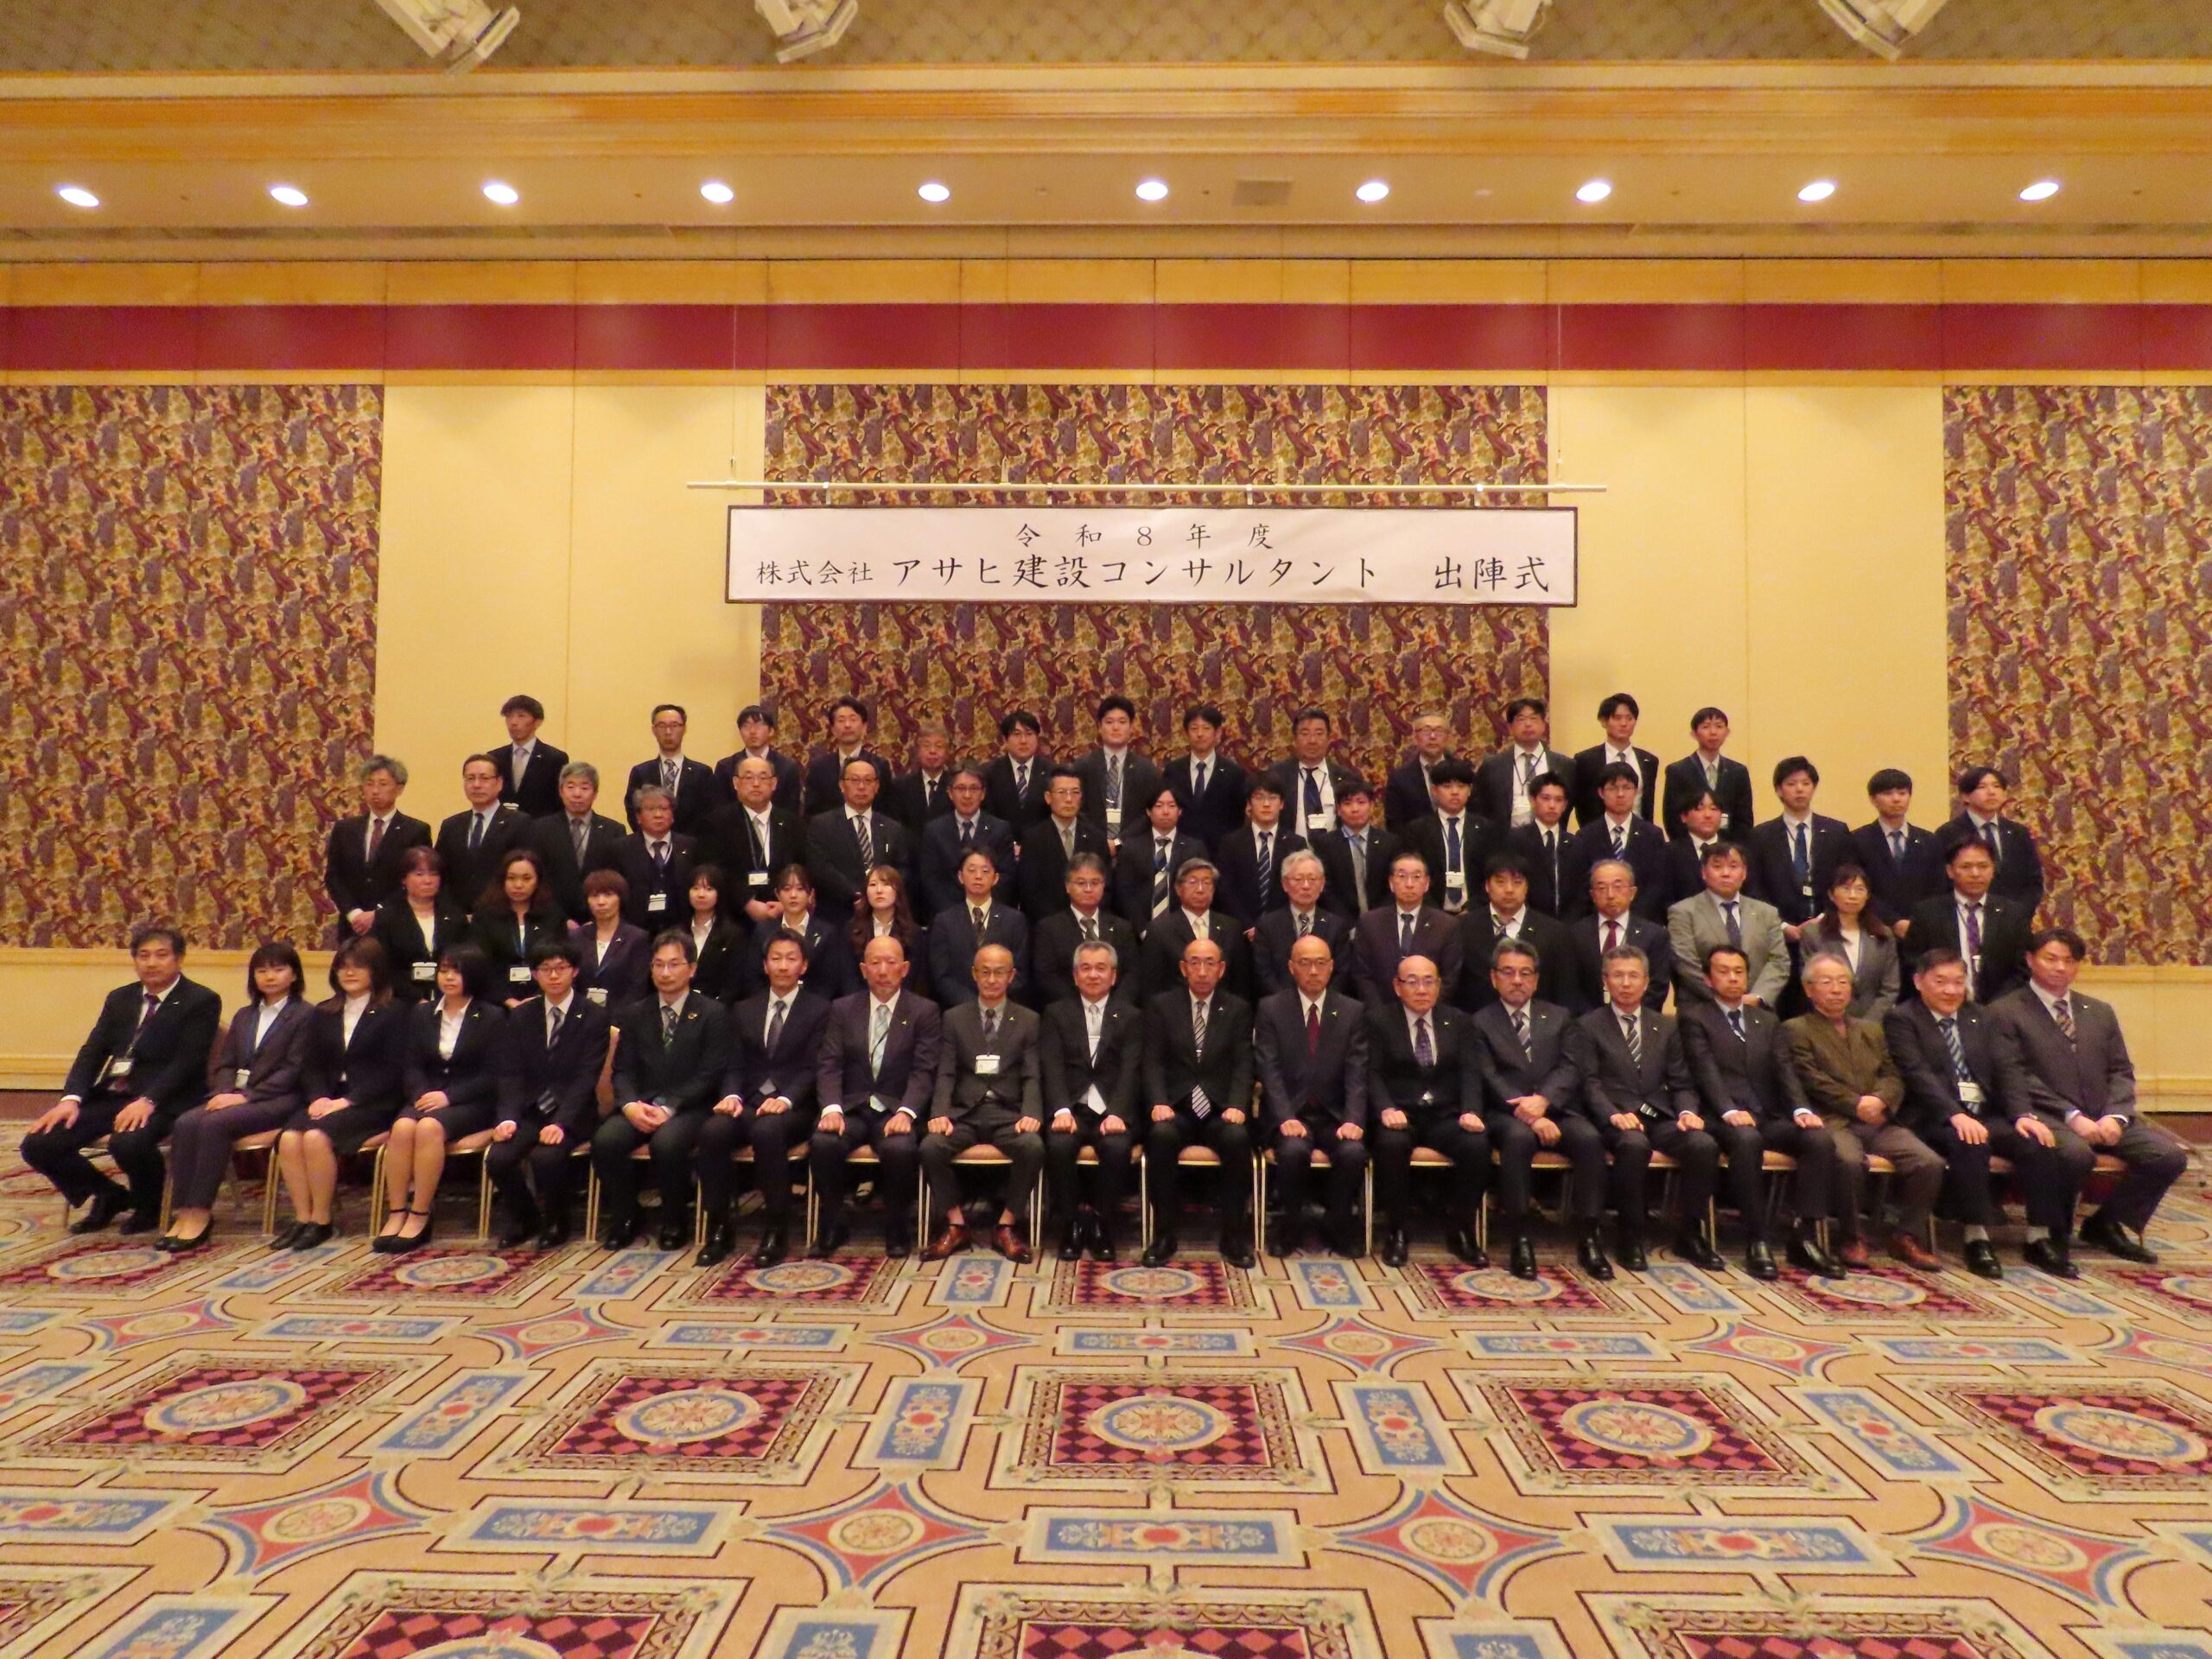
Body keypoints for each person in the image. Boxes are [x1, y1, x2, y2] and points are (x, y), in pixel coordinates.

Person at [1887, 946, 2088, 1280]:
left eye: (1958, 982)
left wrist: (2023, 1114)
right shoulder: (1903, 1019)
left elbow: (2008, 1069)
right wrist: (1955, 1115)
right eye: (1941, 982)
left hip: (1985, 1113)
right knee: (1970, 1142)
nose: (1951, 990)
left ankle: (2040, 1237)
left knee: (2037, 1141)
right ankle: (1976, 1236)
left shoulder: (1981, 1017)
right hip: (1934, 1116)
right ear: (1919, 982)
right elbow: (1917, 1075)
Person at [1991, 928, 2189, 1264]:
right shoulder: (2005, 1011)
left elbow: (2121, 1070)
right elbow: (2015, 1076)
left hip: (2104, 1114)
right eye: (2051, 959)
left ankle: (2107, 1223)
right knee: (2075, 1154)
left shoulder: (2098, 1011)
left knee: (2168, 1156)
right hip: (2047, 1115)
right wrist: (2072, 1116)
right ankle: (2051, 1234)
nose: (2060, 968)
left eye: (2069, 961)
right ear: (2030, 960)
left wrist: (2116, 1116)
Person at [24, 925, 222, 1236]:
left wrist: (149, 1100)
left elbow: (188, 1061)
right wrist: (71, 1099)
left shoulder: (201, 1000)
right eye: (143, 956)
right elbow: (93, 1051)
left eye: (161, 955)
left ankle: (150, 1204)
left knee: (128, 1141)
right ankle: (108, 1195)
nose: (151, 963)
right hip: (115, 1095)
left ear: (179, 959)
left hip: (168, 1099)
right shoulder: (121, 998)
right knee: (39, 1143)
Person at [1679, 944, 1842, 1278]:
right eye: (1723, 971)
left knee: (1818, 1140)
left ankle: (1804, 1236)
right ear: (1708, 979)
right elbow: (1704, 1070)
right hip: (1719, 1117)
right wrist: (1728, 1110)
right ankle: (1757, 1238)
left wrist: (1800, 1109)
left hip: (1766, 1115)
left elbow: (1785, 1070)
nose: (1733, 978)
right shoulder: (1695, 1017)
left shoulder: (1766, 1020)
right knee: (1747, 1140)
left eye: (1739, 971)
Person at [1784, 953, 1944, 1269]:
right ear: (1808, 989)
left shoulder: (1871, 1030)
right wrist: (1856, 1105)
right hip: (1833, 1120)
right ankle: (1851, 1236)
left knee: (1929, 1162)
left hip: (1878, 1120)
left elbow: (1893, 1074)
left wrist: (1881, 1100)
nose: (1836, 989)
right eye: (1827, 982)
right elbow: (1811, 1078)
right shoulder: (1796, 1029)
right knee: (1848, 1161)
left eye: (1843, 982)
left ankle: (1906, 1236)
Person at [1569, 946, 1722, 1273]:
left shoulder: (1665, 1026)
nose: (1626, 983)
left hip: (1658, 1114)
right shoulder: (1588, 1025)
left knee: (1703, 1144)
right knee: (1634, 1145)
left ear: (1646, 981)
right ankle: (1630, 1234)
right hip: (1614, 1117)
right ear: (1605, 980)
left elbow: (1681, 1081)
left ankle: (1690, 1232)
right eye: (1618, 976)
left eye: (1633, 976)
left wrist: (1687, 1113)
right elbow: (1589, 1083)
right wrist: (1612, 1114)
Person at [157, 942, 314, 1252]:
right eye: (262, 970)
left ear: (294, 974)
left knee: (214, 1124)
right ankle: (183, 1210)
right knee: (186, 1122)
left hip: (282, 1099)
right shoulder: (244, 1015)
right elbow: (226, 1063)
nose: (270, 976)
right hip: (237, 1096)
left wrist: (247, 1097)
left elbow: (294, 1070)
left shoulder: (306, 1015)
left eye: (279, 969)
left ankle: (201, 1211)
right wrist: (224, 1092)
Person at [1471, 939, 1608, 1279]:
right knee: (1517, 1141)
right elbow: (1488, 1076)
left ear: (1536, 979)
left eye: (1525, 973)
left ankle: (1589, 1236)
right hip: (1507, 1113)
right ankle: (1520, 1238)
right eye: (1508, 973)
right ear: (1494, 978)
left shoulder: (1560, 1017)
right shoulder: (1480, 1021)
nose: (1517, 980)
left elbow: (1571, 1066)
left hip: (1556, 1108)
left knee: (1589, 1139)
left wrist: (1544, 1102)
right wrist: (1530, 1115)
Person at [698, 932, 832, 1268]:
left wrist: (786, 1099)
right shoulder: (744, 1009)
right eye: (776, 958)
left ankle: (776, 1228)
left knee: (767, 1131)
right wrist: (731, 1095)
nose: (783, 966)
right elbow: (734, 1063)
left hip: (795, 1106)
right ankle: (719, 1227)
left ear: (804, 966)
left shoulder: (821, 1009)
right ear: (764, 965)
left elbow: (815, 1067)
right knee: (713, 1131)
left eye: (791, 958)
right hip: (749, 1102)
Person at [593, 932, 732, 1250]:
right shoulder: (635, 1013)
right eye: (658, 965)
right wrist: (629, 1104)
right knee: (606, 1140)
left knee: (667, 1144)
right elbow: (623, 1070)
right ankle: (626, 1216)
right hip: (641, 1103)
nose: (665, 973)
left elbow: (710, 1073)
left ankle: (674, 1220)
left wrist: (670, 1106)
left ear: (692, 969)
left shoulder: (712, 1013)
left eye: (674, 965)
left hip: (690, 1106)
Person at [810, 936, 942, 1258]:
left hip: (896, 1109)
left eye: (891, 963)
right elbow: (830, 1064)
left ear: (905, 969)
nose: (883, 971)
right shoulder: (842, 1008)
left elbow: (924, 1071)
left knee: (900, 1148)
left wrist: (907, 1112)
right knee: (824, 1142)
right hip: (852, 1107)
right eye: (875, 963)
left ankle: (897, 1225)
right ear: (863, 969)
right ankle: (834, 1221)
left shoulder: (924, 1011)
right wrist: (832, 1108)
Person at [375, 944, 508, 1255]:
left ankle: (421, 1213)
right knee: (402, 1128)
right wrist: (421, 1094)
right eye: (444, 971)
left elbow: (494, 1074)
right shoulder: (422, 1013)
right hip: (426, 1097)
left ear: (473, 976)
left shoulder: (492, 1016)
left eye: (457, 972)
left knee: (428, 1128)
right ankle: (397, 1211)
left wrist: (449, 1096)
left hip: (471, 1101)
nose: (449, 978)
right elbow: (411, 1065)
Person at [276, 938, 407, 1250]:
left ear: (375, 970)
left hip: (372, 1102)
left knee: (315, 1137)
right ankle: (303, 1218)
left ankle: (321, 1220)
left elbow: (394, 1071)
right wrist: (319, 1097)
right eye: (343, 967)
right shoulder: (324, 1012)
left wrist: (348, 1101)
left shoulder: (395, 1012)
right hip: (329, 1098)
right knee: (289, 1138)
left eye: (358, 967)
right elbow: (311, 1065)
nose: (349, 973)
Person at [921, 945, 1046, 1262]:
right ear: (974, 974)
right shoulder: (954, 1018)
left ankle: (1006, 1225)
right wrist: (940, 1113)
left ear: (1011, 976)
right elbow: (946, 1072)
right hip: (966, 1113)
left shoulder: (1029, 1019)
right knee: (931, 1146)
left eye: (999, 972)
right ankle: (956, 1224)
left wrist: (1031, 1113)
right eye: (985, 972)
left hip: (1007, 1113)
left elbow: (1032, 1074)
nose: (992, 979)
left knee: (1033, 1146)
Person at [487, 938, 612, 1249]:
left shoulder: (593, 1016)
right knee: (499, 1158)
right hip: (532, 1109)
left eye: (561, 968)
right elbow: (510, 1073)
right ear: (535, 974)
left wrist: (561, 1122)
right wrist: (508, 1118)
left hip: (575, 1111)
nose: (554, 975)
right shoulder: (521, 1016)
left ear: (575, 971)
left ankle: (558, 1222)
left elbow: (586, 1078)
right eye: (545, 969)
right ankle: (526, 1218)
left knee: (548, 1156)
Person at [1140, 938, 1256, 1268]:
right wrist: (1158, 1102)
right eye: (1195, 963)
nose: (1202, 971)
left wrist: (1238, 1105)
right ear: (1183, 968)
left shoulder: (1237, 1008)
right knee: (1161, 1136)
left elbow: (1243, 1064)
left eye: (1210, 963)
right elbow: (1152, 1061)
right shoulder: (1162, 1006)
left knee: (1238, 1138)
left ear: (1221, 969)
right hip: (1176, 1107)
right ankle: (1164, 1235)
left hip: (1221, 1109)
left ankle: (1233, 1236)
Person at [1367, 953, 1486, 1268]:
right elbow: (1371, 1073)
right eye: (1413, 982)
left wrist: (1471, 1110)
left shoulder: (1459, 1021)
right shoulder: (1379, 1021)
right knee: (1390, 1145)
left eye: (1429, 981)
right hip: (1400, 1113)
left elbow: (1470, 1071)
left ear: (1439, 985)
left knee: (1476, 1145)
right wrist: (1385, 1108)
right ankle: (1397, 1232)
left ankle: (1461, 1230)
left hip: (1445, 1114)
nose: (1422, 989)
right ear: (1397, 987)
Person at [1256, 934, 1370, 1257]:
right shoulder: (1271, 1008)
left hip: (1334, 1115)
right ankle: (1291, 1225)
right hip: (1290, 1113)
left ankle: (1337, 1223)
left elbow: (1357, 1071)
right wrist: (1285, 1117)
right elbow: (1269, 1069)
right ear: (1291, 967)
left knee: (1353, 1153)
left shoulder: (1352, 1011)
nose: (1314, 971)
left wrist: (1353, 1119)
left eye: (1321, 963)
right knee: (1293, 1151)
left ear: (1332, 967)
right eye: (1305, 963)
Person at [1041, 940, 1143, 1261]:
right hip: (1071, 1108)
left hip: (1112, 1109)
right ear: (1075, 976)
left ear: (1114, 976)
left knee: (1117, 1147)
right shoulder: (1056, 1013)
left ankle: (1102, 1224)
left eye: (1101, 968)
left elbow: (1131, 1069)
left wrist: (1118, 1112)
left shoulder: (1132, 1016)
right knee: (1058, 1146)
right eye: (1086, 968)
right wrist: (1060, 1109)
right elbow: (1052, 1066)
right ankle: (1071, 1224)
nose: (1093, 975)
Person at [1903, 839, 2033, 1003]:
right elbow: (1914, 966)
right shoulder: (1927, 913)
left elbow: (2022, 970)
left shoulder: (2014, 914)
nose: (1975, 874)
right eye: (1966, 867)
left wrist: (1995, 1007)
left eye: (1983, 866)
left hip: (2000, 1009)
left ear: (1993, 869)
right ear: (1950, 871)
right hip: (1943, 1005)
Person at [1669, 842, 1789, 1007]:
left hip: (1756, 1008)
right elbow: (1686, 964)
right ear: (1704, 872)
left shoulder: (1767, 912)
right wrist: (1726, 999)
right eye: (1717, 866)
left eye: (1733, 866)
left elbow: (1779, 961)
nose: (1726, 873)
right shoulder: (1683, 912)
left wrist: (1757, 997)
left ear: (1744, 873)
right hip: (1703, 1007)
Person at [323, 755, 431, 938]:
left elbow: (416, 880)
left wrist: (379, 914)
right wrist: (354, 913)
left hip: (396, 925)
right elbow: (334, 876)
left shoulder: (416, 831)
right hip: (353, 926)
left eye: (383, 784)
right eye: (369, 784)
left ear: (399, 788)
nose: (375, 790)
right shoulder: (345, 829)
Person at [1746, 757, 1852, 937]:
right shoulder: (1761, 836)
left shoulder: (1837, 832)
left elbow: (1846, 879)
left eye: (1806, 783)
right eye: (1791, 784)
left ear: (1814, 788)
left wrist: (1824, 919)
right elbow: (1754, 887)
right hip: (1777, 934)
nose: (1800, 789)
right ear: (1779, 790)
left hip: (1829, 930)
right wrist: (1782, 926)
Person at [1456, 854, 1572, 1012]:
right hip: (1476, 1021)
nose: (1509, 890)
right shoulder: (1463, 928)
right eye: (1500, 882)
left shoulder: (1554, 932)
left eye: (1517, 882)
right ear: (1487, 886)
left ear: (1527, 887)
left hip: (1539, 1023)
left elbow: (1565, 994)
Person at [706, 753, 806, 935]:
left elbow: (801, 866)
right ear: (736, 783)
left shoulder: (792, 823)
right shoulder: (717, 823)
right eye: (748, 777)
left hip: (784, 915)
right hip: (735, 920)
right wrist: (747, 902)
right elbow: (717, 871)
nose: (756, 784)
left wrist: (784, 902)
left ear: (774, 783)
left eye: (763, 777)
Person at [1351, 852, 1462, 1007]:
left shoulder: (1446, 925)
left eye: (1417, 877)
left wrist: (1423, 1008)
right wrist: (1379, 1013)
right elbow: (1362, 975)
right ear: (1391, 883)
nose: (1409, 884)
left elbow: (1449, 979)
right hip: (1380, 1012)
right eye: (1402, 876)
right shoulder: (1369, 922)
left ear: (1427, 884)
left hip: (1428, 1011)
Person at [806, 757, 913, 918]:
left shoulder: (893, 828)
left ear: (877, 786)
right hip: (837, 914)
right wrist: (856, 895)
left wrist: (880, 893)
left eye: (868, 780)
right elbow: (821, 868)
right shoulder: (821, 825)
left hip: (884, 914)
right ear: (841, 785)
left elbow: (902, 869)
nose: (862, 787)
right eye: (855, 780)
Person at [1562, 762, 1668, 920]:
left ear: (1637, 791)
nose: (1620, 794)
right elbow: (1582, 887)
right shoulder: (1585, 836)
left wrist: (1629, 919)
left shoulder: (1653, 835)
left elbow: (1657, 886)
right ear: (1601, 793)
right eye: (1613, 789)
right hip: (1598, 921)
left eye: (1627, 788)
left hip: (1642, 921)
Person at [1031, 853, 1139, 1007]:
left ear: (1103, 885)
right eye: (1081, 883)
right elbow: (1046, 977)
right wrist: (1082, 1008)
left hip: (1116, 1011)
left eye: (1095, 883)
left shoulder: (1122, 928)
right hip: (1068, 1012)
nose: (1088, 889)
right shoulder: (1049, 929)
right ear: (1068, 886)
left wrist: (1112, 1007)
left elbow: (1132, 974)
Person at [1568, 859, 1674, 1015]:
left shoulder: (1655, 935)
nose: (1610, 895)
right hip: (1587, 1022)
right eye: (1602, 888)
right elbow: (1571, 987)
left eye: (1618, 887)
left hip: (1639, 1020)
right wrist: (1595, 1020)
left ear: (1632, 892)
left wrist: (1627, 1014)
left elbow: (1657, 987)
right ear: (1593, 895)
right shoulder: (1574, 934)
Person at [1137, 858, 1251, 1001]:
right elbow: (1151, 986)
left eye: (1207, 883)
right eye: (1193, 882)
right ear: (1178, 889)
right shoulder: (1159, 930)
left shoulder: (1232, 928)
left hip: (1223, 1009)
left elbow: (1241, 984)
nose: (1200, 889)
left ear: (1213, 889)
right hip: (1175, 1009)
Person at [1936, 766, 2044, 915]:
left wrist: (2018, 913)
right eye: (1982, 787)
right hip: (1966, 917)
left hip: (2014, 918)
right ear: (1965, 796)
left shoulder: (2018, 832)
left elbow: (2033, 880)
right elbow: (1940, 883)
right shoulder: (1948, 833)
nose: (1991, 792)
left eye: (1997, 786)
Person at [742, 865, 858, 1002]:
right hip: (770, 1004)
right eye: (787, 889)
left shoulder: (827, 932)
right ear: (777, 894)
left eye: (800, 889)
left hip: (815, 1006)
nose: (793, 895)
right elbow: (753, 976)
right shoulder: (764, 930)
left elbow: (830, 980)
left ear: (810, 894)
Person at [1797, 865, 1900, 1019]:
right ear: (1831, 894)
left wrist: (1867, 1024)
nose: (1853, 896)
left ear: (1867, 895)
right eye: (1846, 889)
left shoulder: (1883, 935)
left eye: (1860, 889)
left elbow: (1890, 988)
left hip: (1875, 1024)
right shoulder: (1813, 935)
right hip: (1827, 1021)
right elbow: (1810, 983)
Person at [528, 761, 626, 923]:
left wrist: (596, 920)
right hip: (551, 921)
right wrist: (560, 920)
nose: (577, 794)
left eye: (585, 788)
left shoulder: (614, 830)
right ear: (561, 791)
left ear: (595, 793)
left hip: (601, 919)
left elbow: (616, 882)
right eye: (570, 787)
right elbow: (537, 879)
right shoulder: (540, 829)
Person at [928, 852, 1028, 1006]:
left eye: (985, 871)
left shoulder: (1014, 920)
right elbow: (941, 976)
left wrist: (994, 999)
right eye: (972, 870)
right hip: (958, 1010)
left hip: (1003, 1006)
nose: (978, 876)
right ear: (961, 876)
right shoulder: (944, 921)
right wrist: (973, 1006)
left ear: (995, 878)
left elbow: (1020, 971)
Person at [915, 766, 1015, 921]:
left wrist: (981, 908)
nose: (967, 795)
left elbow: (1005, 876)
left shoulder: (1000, 829)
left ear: (983, 793)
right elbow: (931, 879)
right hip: (946, 916)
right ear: (950, 793)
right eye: (961, 789)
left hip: (990, 916)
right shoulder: (934, 830)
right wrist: (957, 914)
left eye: (974, 789)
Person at [435, 753, 529, 915]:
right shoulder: (451, 825)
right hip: (457, 916)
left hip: (502, 914)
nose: (476, 785)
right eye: (470, 778)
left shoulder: (519, 823)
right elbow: (440, 872)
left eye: (484, 778)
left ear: (499, 783)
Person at [371, 846, 467, 1002]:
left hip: (449, 998)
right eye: (419, 874)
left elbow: (466, 961)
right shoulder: (387, 918)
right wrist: (416, 998)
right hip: (402, 1000)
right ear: (404, 879)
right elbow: (382, 967)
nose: (427, 881)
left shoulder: (455, 916)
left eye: (433, 874)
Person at [1400, 759, 1494, 917]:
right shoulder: (1417, 831)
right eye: (1447, 786)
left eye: (1461, 786)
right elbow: (1415, 876)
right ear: (1434, 791)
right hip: (1430, 914)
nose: (1455, 792)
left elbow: (1492, 875)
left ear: (1470, 790)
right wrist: (1436, 914)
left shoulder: (1486, 829)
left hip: (1476, 913)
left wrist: (1472, 909)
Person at [1253, 850, 1353, 998]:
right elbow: (1264, 974)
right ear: (1285, 884)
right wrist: (1289, 1003)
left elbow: (1342, 974)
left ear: (1322, 884)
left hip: (1326, 1005)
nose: (1306, 886)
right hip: (1280, 1005)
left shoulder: (1337, 926)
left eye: (1312, 879)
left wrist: (1319, 1002)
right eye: (1298, 879)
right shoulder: (1267, 926)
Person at [1111, 784, 1208, 937]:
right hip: (1138, 932)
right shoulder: (1132, 847)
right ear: (1149, 811)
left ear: (1180, 811)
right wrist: (1142, 930)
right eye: (1159, 806)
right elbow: (1124, 892)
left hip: (1183, 932)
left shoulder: (1194, 848)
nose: (1165, 811)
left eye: (1171, 806)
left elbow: (1200, 891)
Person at [474, 848, 566, 1006]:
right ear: (502, 880)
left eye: (526, 878)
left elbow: (561, 962)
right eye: (511, 878)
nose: (518, 885)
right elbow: (481, 965)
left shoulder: (552, 916)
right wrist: (507, 1000)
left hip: (544, 999)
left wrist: (538, 998)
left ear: (538, 881)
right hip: (495, 1003)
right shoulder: (485, 916)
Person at [596, 786, 698, 930]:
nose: (658, 815)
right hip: (634, 930)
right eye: (650, 809)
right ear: (638, 817)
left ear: (672, 815)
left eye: (664, 809)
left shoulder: (690, 846)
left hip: (682, 929)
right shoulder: (619, 850)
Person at [1017, 766, 1112, 921]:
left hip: (1090, 921)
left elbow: (1107, 886)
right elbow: (1029, 891)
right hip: (1047, 924)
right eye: (1061, 792)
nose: (1069, 799)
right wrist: (1060, 923)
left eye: (1075, 792)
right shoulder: (1033, 839)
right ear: (1048, 797)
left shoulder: (1096, 838)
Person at [1852, 768, 1938, 930]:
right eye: (1888, 793)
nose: (1896, 799)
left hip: (1921, 927)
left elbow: (1937, 887)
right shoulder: (1857, 840)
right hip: (1874, 927)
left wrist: (1918, 921)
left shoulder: (1929, 840)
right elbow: (1857, 887)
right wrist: (1893, 921)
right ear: (1873, 799)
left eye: (1902, 793)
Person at [1072, 695, 1161, 851]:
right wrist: (1101, 842)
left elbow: (1148, 814)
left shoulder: (1146, 770)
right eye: (1109, 722)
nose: (1115, 727)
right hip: (1089, 849)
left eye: (1122, 722)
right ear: (1099, 727)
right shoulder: (1083, 766)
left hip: (1133, 850)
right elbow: (1077, 809)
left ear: (1131, 726)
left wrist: (1119, 842)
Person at [1214, 778, 1305, 931]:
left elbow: (1298, 889)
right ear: (1249, 804)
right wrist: (1247, 926)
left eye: (1272, 798)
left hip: (1283, 928)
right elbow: (1224, 889)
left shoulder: (1296, 844)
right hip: (1239, 929)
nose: (1266, 804)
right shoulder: (1231, 843)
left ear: (1282, 804)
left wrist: (1274, 926)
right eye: (1259, 797)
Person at [1266, 707, 1366, 840]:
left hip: (1333, 852)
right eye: (1305, 734)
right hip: (1289, 851)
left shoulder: (1346, 778)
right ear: (1294, 739)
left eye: (1319, 734)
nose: (1312, 740)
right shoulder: (1277, 776)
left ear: (1329, 738)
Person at [1474, 696, 1573, 830]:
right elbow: (1479, 808)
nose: (1528, 724)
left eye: (1533, 718)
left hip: (1551, 837)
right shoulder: (1492, 766)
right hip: (1504, 839)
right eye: (1521, 719)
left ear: (1544, 725)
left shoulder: (1565, 766)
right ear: (1510, 728)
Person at [1662, 707, 1754, 842]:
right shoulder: (1678, 771)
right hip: (1689, 847)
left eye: (1719, 726)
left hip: (1728, 847)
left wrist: (1733, 849)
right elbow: (1672, 819)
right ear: (1694, 734)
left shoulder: (1738, 771)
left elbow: (1744, 819)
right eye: (1706, 727)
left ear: (1727, 732)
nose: (1713, 732)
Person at [1165, 702, 1248, 852]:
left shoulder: (1234, 773)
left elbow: (1238, 819)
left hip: (1221, 853)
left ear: (1218, 733)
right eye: (1194, 728)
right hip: (1180, 852)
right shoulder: (1173, 771)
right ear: (1186, 733)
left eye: (1206, 728)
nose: (1200, 734)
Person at [625, 703, 716, 836]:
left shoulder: (702, 773)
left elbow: (708, 814)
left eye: (674, 725)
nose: (668, 732)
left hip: (692, 845)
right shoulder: (641, 772)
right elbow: (633, 811)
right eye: (662, 726)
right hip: (649, 844)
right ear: (654, 730)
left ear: (684, 729)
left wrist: (684, 843)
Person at [1571, 693, 1659, 828]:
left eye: (1629, 718)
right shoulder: (1586, 760)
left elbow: (1647, 805)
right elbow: (1581, 806)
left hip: (1639, 834)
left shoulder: (1649, 761)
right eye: (1617, 718)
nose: (1624, 724)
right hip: (1598, 834)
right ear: (1603, 721)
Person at [1315, 779, 1399, 920]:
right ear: (1338, 809)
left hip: (1383, 920)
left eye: (1361, 802)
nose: (1355, 809)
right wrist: (1345, 923)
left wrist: (1375, 920)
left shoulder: (1390, 843)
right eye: (1347, 803)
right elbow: (1326, 889)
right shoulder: (1324, 845)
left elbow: (1394, 885)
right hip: (1338, 921)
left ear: (1371, 806)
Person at [802, 695, 892, 821]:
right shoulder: (818, 767)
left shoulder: (880, 765)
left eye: (853, 719)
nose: (847, 725)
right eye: (841, 720)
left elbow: (886, 811)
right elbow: (811, 814)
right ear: (833, 729)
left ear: (864, 727)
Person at [571, 869, 652, 1012]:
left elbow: (637, 988)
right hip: (581, 1016)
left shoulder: (637, 938)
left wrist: (616, 1020)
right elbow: (571, 982)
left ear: (620, 898)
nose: (601, 902)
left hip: (622, 1017)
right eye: (594, 896)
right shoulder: (576, 937)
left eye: (608, 895)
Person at [852, 863, 933, 1000]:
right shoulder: (852, 929)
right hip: (859, 1003)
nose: (879, 890)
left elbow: (915, 979)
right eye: (873, 885)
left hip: (902, 1003)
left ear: (898, 891)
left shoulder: (914, 933)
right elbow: (848, 978)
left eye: (886, 884)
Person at [710, 702, 803, 816]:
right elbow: (720, 810)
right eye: (746, 726)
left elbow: (791, 811)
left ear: (771, 731)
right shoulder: (726, 767)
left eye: (759, 725)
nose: (752, 731)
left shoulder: (787, 767)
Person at [1506, 772, 1575, 918]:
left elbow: (1582, 891)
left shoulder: (1576, 844)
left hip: (1569, 924)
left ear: (1565, 805)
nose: (1552, 805)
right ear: (1533, 800)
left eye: (1558, 800)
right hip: (1528, 921)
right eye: (1546, 798)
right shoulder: (1516, 840)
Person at [684, 865, 754, 1002]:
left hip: (717, 1007)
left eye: (709, 889)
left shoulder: (733, 935)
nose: (701, 895)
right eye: (695, 888)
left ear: (719, 893)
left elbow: (734, 985)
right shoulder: (677, 932)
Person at [1659, 788, 1730, 912]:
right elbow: (1663, 898)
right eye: (1699, 809)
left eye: (1713, 809)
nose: (1708, 815)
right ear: (1684, 817)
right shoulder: (1668, 853)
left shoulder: (1734, 852)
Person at [982, 709, 1053, 832]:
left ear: (1037, 738)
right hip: (1000, 841)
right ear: (1005, 739)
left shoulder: (1052, 772)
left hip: (1042, 841)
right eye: (1016, 734)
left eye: (1029, 734)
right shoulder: (988, 773)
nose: (1023, 741)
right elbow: (985, 817)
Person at [499, 693, 569, 817]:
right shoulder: (495, 757)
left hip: (540, 825)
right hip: (503, 826)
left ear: (538, 722)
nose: (513, 722)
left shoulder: (555, 758)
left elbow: (560, 802)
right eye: (509, 716)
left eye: (521, 716)